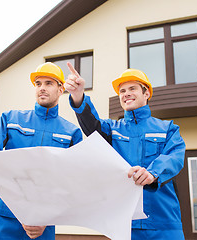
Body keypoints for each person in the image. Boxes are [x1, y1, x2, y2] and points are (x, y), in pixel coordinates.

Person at [0, 62, 83, 240]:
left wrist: (47, 217)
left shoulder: (71, 132)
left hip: (43, 223)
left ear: (60, 89)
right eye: (38, 83)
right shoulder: (11, 119)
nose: (42, 88)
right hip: (4, 218)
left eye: (49, 83)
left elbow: (73, 181)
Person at [64, 62, 186, 239]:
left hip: (164, 222)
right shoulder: (112, 129)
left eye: (132, 88)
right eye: (122, 91)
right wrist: (78, 96)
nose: (126, 93)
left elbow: (174, 156)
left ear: (146, 93)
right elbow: (92, 125)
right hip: (125, 223)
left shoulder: (168, 129)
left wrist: (153, 173)